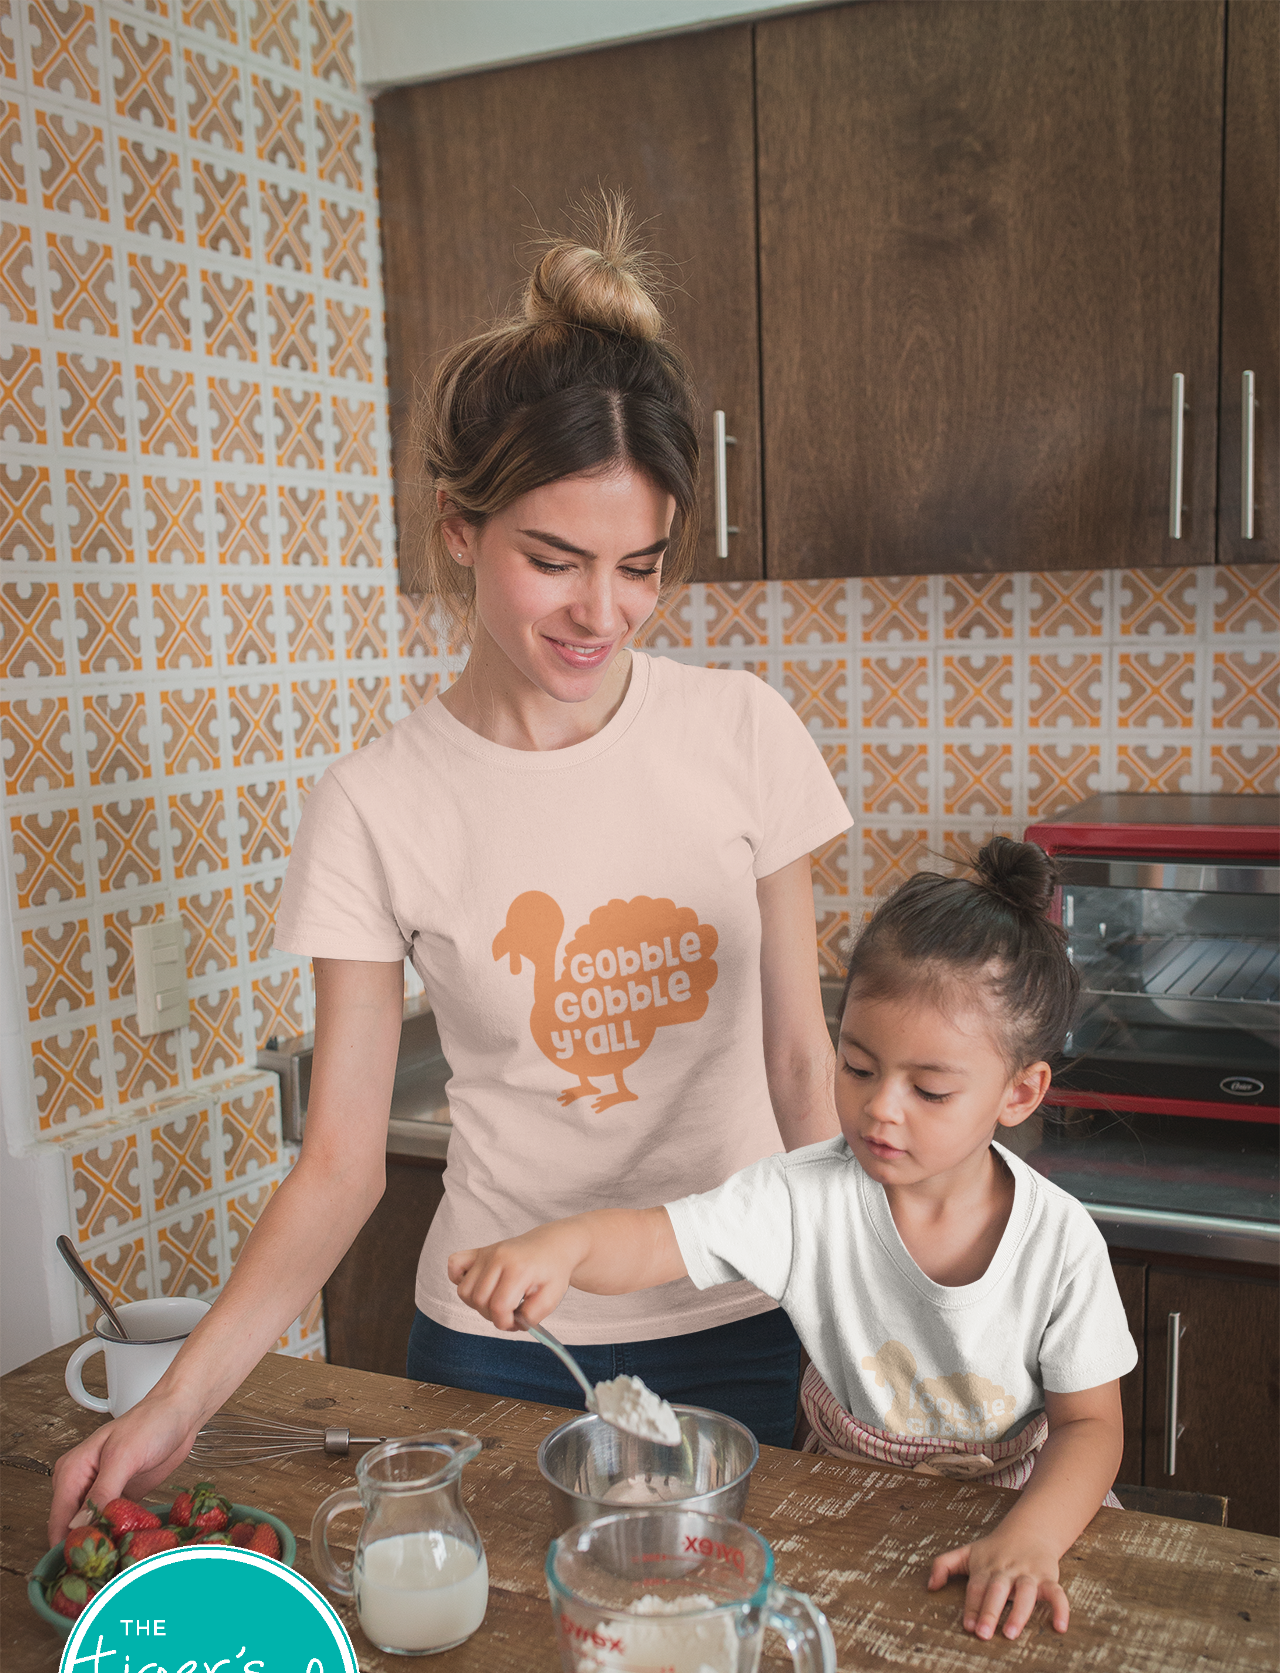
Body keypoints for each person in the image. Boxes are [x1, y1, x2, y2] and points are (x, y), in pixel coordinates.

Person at [48, 198, 850, 1542]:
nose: (603, 612)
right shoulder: (375, 804)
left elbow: (797, 1069)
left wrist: (856, 1319)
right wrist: (175, 1405)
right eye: (555, 560)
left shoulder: (743, 731)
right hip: (496, 1348)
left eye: (639, 567)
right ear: (459, 526)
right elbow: (342, 1164)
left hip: (751, 1320)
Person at [448, 837, 1138, 1643]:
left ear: (1019, 1093)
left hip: (1024, 1512)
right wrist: (560, 1247)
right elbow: (654, 1238)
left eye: (929, 1089)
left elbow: (1092, 1427)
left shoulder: (1058, 1242)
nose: (882, 1108)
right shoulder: (804, 1197)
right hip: (846, 1505)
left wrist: (1032, 1537)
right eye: (857, 1067)